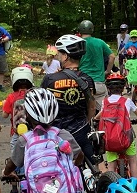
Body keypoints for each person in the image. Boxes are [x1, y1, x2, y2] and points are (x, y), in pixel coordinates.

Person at [42, 34, 98, 164]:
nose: (58, 57)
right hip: (81, 130)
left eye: (60, 54)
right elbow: (92, 107)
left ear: (66, 56)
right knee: (96, 166)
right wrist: (86, 122)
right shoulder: (86, 79)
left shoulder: (50, 80)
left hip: (57, 134)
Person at [101, 72, 137, 177]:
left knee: (111, 165)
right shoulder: (127, 101)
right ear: (122, 88)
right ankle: (135, 185)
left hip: (110, 138)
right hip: (126, 137)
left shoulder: (105, 102)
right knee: (132, 161)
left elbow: (100, 115)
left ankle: (111, 185)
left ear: (108, 88)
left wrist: (95, 118)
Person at [76, 20, 114, 105]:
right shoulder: (100, 42)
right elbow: (112, 56)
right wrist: (107, 71)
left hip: (83, 82)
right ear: (92, 29)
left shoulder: (78, 44)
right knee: (104, 112)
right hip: (99, 82)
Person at [1, 66, 35, 138]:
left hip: (16, 132)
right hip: (31, 132)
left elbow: (4, 115)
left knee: (15, 148)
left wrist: (4, 105)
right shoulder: (33, 95)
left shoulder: (11, 96)